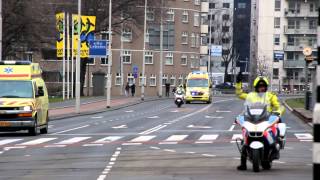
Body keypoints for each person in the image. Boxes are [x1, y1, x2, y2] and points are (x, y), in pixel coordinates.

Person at [235, 72, 285, 171]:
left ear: (266, 86)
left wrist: (278, 112)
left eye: (263, 86)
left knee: (272, 138)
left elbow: (279, 106)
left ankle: (270, 154)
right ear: (256, 86)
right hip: (252, 119)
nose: (261, 88)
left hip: (267, 119)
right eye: (259, 86)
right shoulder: (250, 95)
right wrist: (238, 82)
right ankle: (243, 164)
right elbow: (239, 94)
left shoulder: (271, 96)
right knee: (245, 141)